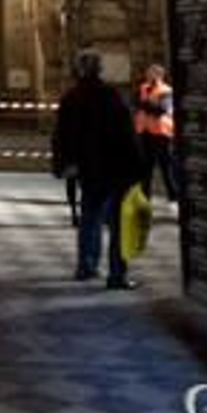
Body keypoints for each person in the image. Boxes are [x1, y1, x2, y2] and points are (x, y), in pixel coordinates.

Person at [53, 50, 145, 289]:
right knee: (117, 223)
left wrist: (64, 164)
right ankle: (117, 275)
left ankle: (86, 266)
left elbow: (61, 136)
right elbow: (127, 133)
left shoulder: (71, 98)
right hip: (115, 167)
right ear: (99, 69)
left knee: (89, 218)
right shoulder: (112, 96)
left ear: (78, 70)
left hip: (88, 168)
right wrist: (137, 166)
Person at [133, 63, 180, 203]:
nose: (147, 75)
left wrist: (145, 105)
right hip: (145, 132)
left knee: (165, 165)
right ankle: (145, 195)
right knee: (146, 166)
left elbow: (162, 110)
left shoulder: (166, 90)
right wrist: (146, 105)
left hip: (162, 132)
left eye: (151, 73)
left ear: (159, 75)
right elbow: (137, 103)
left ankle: (173, 194)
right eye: (147, 73)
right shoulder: (144, 88)